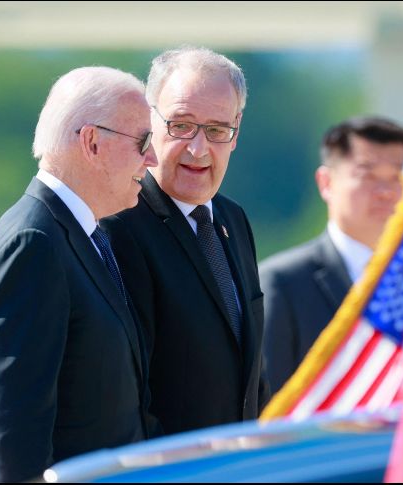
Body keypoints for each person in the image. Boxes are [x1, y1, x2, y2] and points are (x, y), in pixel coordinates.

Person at [0, 66, 158, 482]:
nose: (153, 158)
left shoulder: (77, 235)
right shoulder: (34, 245)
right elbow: (17, 430)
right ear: (91, 142)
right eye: (143, 141)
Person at [101, 46, 269, 435]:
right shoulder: (118, 224)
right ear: (149, 120)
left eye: (216, 130)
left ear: (236, 132)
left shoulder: (233, 220)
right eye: (181, 125)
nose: (199, 148)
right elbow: (126, 394)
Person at [259, 116, 403, 393]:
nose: (386, 193)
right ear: (326, 182)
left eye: (397, 177)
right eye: (367, 175)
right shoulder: (283, 283)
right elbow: (269, 401)